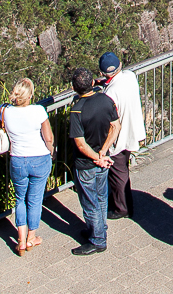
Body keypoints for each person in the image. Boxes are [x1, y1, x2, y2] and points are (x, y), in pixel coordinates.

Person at [0, 79, 55, 255]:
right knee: (34, 200)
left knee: (20, 199)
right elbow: (48, 138)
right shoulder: (39, 111)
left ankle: (20, 240)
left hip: (18, 160)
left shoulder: (5, 111)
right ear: (31, 95)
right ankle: (31, 238)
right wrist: (51, 152)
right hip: (40, 158)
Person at [67, 66, 119, 256]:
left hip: (87, 163)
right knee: (101, 197)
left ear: (74, 88)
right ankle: (99, 229)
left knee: (90, 203)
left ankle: (97, 240)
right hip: (103, 160)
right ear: (92, 83)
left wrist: (97, 158)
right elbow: (115, 125)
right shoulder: (106, 100)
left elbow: (80, 145)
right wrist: (103, 153)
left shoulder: (77, 111)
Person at [100, 50, 145, 220]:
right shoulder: (130, 77)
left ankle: (122, 208)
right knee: (123, 169)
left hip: (119, 137)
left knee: (118, 174)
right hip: (133, 130)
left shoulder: (109, 93)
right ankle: (125, 202)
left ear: (103, 73)